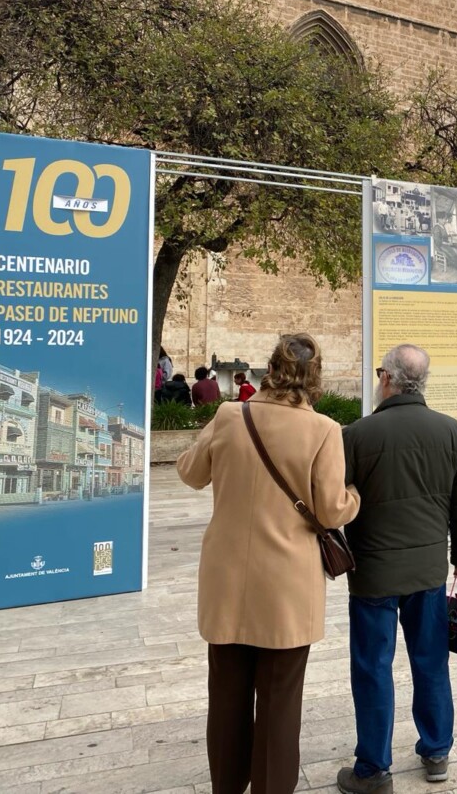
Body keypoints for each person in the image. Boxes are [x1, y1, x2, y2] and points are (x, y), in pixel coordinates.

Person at [176, 334, 360, 794]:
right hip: (287, 586)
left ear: (270, 368)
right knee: (280, 703)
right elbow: (332, 510)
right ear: (315, 376)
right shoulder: (324, 431)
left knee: (226, 697)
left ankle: (227, 786)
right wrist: (354, 498)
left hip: (226, 581)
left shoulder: (228, 416)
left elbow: (191, 474)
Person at [336, 344, 457, 794]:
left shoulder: (356, 435)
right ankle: (437, 750)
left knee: (372, 667)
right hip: (428, 573)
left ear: (387, 379)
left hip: (373, 574)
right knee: (431, 661)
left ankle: (374, 768)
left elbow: (335, 502)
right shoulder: (453, 433)